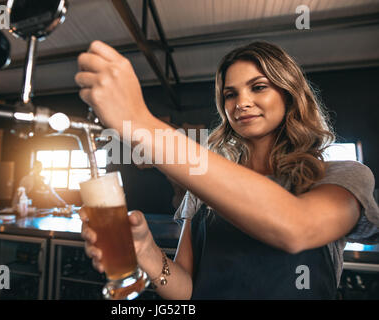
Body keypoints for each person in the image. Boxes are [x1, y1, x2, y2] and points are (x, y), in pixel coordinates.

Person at [74, 40, 379, 299]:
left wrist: (139, 121)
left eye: (258, 87)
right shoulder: (206, 187)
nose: (241, 102)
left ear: (288, 95)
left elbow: (296, 227)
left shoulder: (342, 176)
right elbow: (186, 290)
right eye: (230, 94)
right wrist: (148, 253)